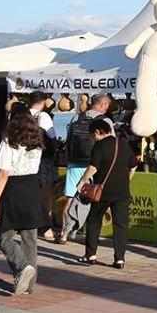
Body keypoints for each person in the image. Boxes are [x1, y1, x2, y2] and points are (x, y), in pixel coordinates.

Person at [0, 111, 47, 295]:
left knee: (2, 235)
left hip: (12, 189)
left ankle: (22, 267)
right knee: (30, 239)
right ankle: (28, 284)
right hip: (31, 188)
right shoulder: (37, 142)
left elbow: (3, 173)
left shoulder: (9, 142)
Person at [74, 118, 136, 268]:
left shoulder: (99, 146)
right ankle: (119, 259)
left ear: (97, 132)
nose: (92, 138)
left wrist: (82, 182)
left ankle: (90, 255)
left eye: (92, 135)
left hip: (103, 192)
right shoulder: (123, 144)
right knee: (121, 224)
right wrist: (126, 180)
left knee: (94, 220)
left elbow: (93, 168)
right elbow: (133, 167)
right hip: (122, 191)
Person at [61, 94, 112, 244]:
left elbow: (68, 140)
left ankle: (63, 234)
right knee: (93, 198)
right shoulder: (105, 121)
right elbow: (110, 144)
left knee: (70, 198)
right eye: (107, 107)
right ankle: (89, 234)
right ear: (102, 105)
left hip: (74, 163)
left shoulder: (76, 118)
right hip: (93, 165)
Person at [28, 92, 59, 239]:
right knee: (47, 193)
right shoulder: (43, 116)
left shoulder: (20, 115)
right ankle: (46, 228)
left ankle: (29, 225)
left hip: (24, 160)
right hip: (43, 159)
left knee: (30, 193)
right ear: (43, 102)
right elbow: (52, 137)